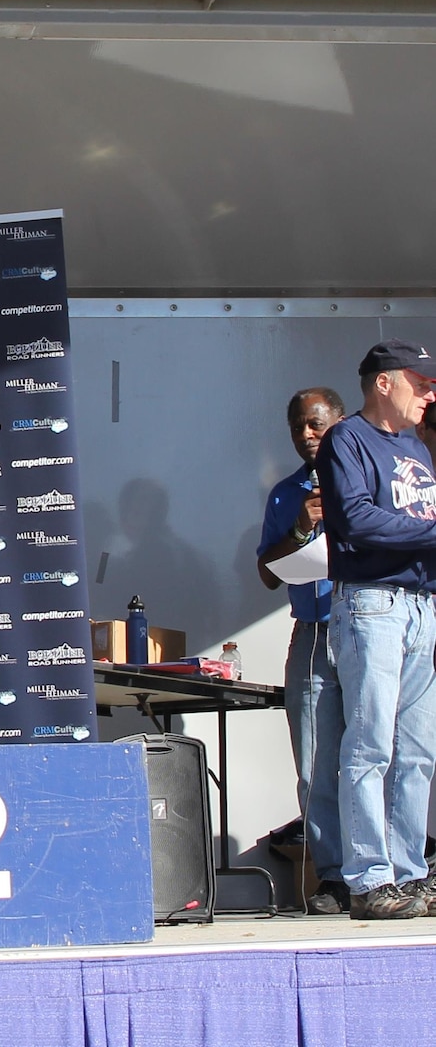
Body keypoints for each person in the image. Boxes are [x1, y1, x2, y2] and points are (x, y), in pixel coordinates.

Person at [315, 339, 436, 919]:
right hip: (372, 605)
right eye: (422, 381)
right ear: (384, 383)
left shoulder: (415, 447)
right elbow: (356, 520)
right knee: (369, 744)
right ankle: (367, 877)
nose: (431, 392)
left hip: (419, 607)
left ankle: (410, 874)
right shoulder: (347, 439)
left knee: (417, 750)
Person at [256, 387, 347, 914]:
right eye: (297, 427)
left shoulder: (368, 473)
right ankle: (333, 876)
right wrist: (301, 526)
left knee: (373, 754)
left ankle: (381, 870)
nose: (306, 435)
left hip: (362, 626)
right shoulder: (285, 492)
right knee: (314, 763)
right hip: (310, 632)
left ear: (339, 420)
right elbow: (268, 573)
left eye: (314, 424)